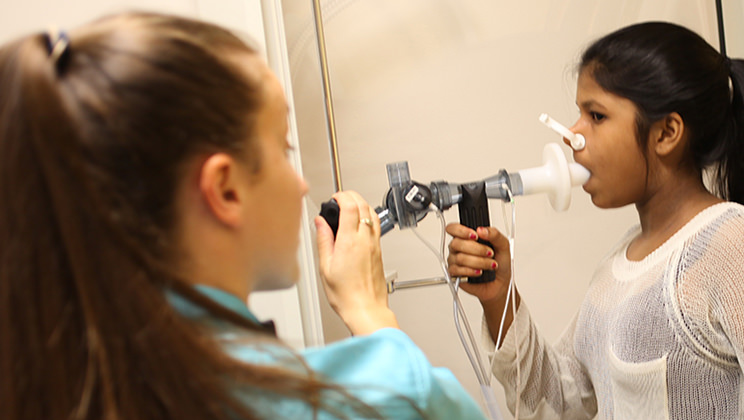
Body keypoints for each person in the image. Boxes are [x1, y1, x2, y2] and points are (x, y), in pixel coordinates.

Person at [0, 12, 487, 420]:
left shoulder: (53, 386)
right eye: (282, 147)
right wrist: (373, 318)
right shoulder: (376, 396)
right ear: (226, 189)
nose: (300, 184)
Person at [447, 22, 744, 419]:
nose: (573, 135)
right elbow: (559, 403)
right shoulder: (617, 268)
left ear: (667, 132)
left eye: (596, 116)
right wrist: (500, 298)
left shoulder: (736, 241)